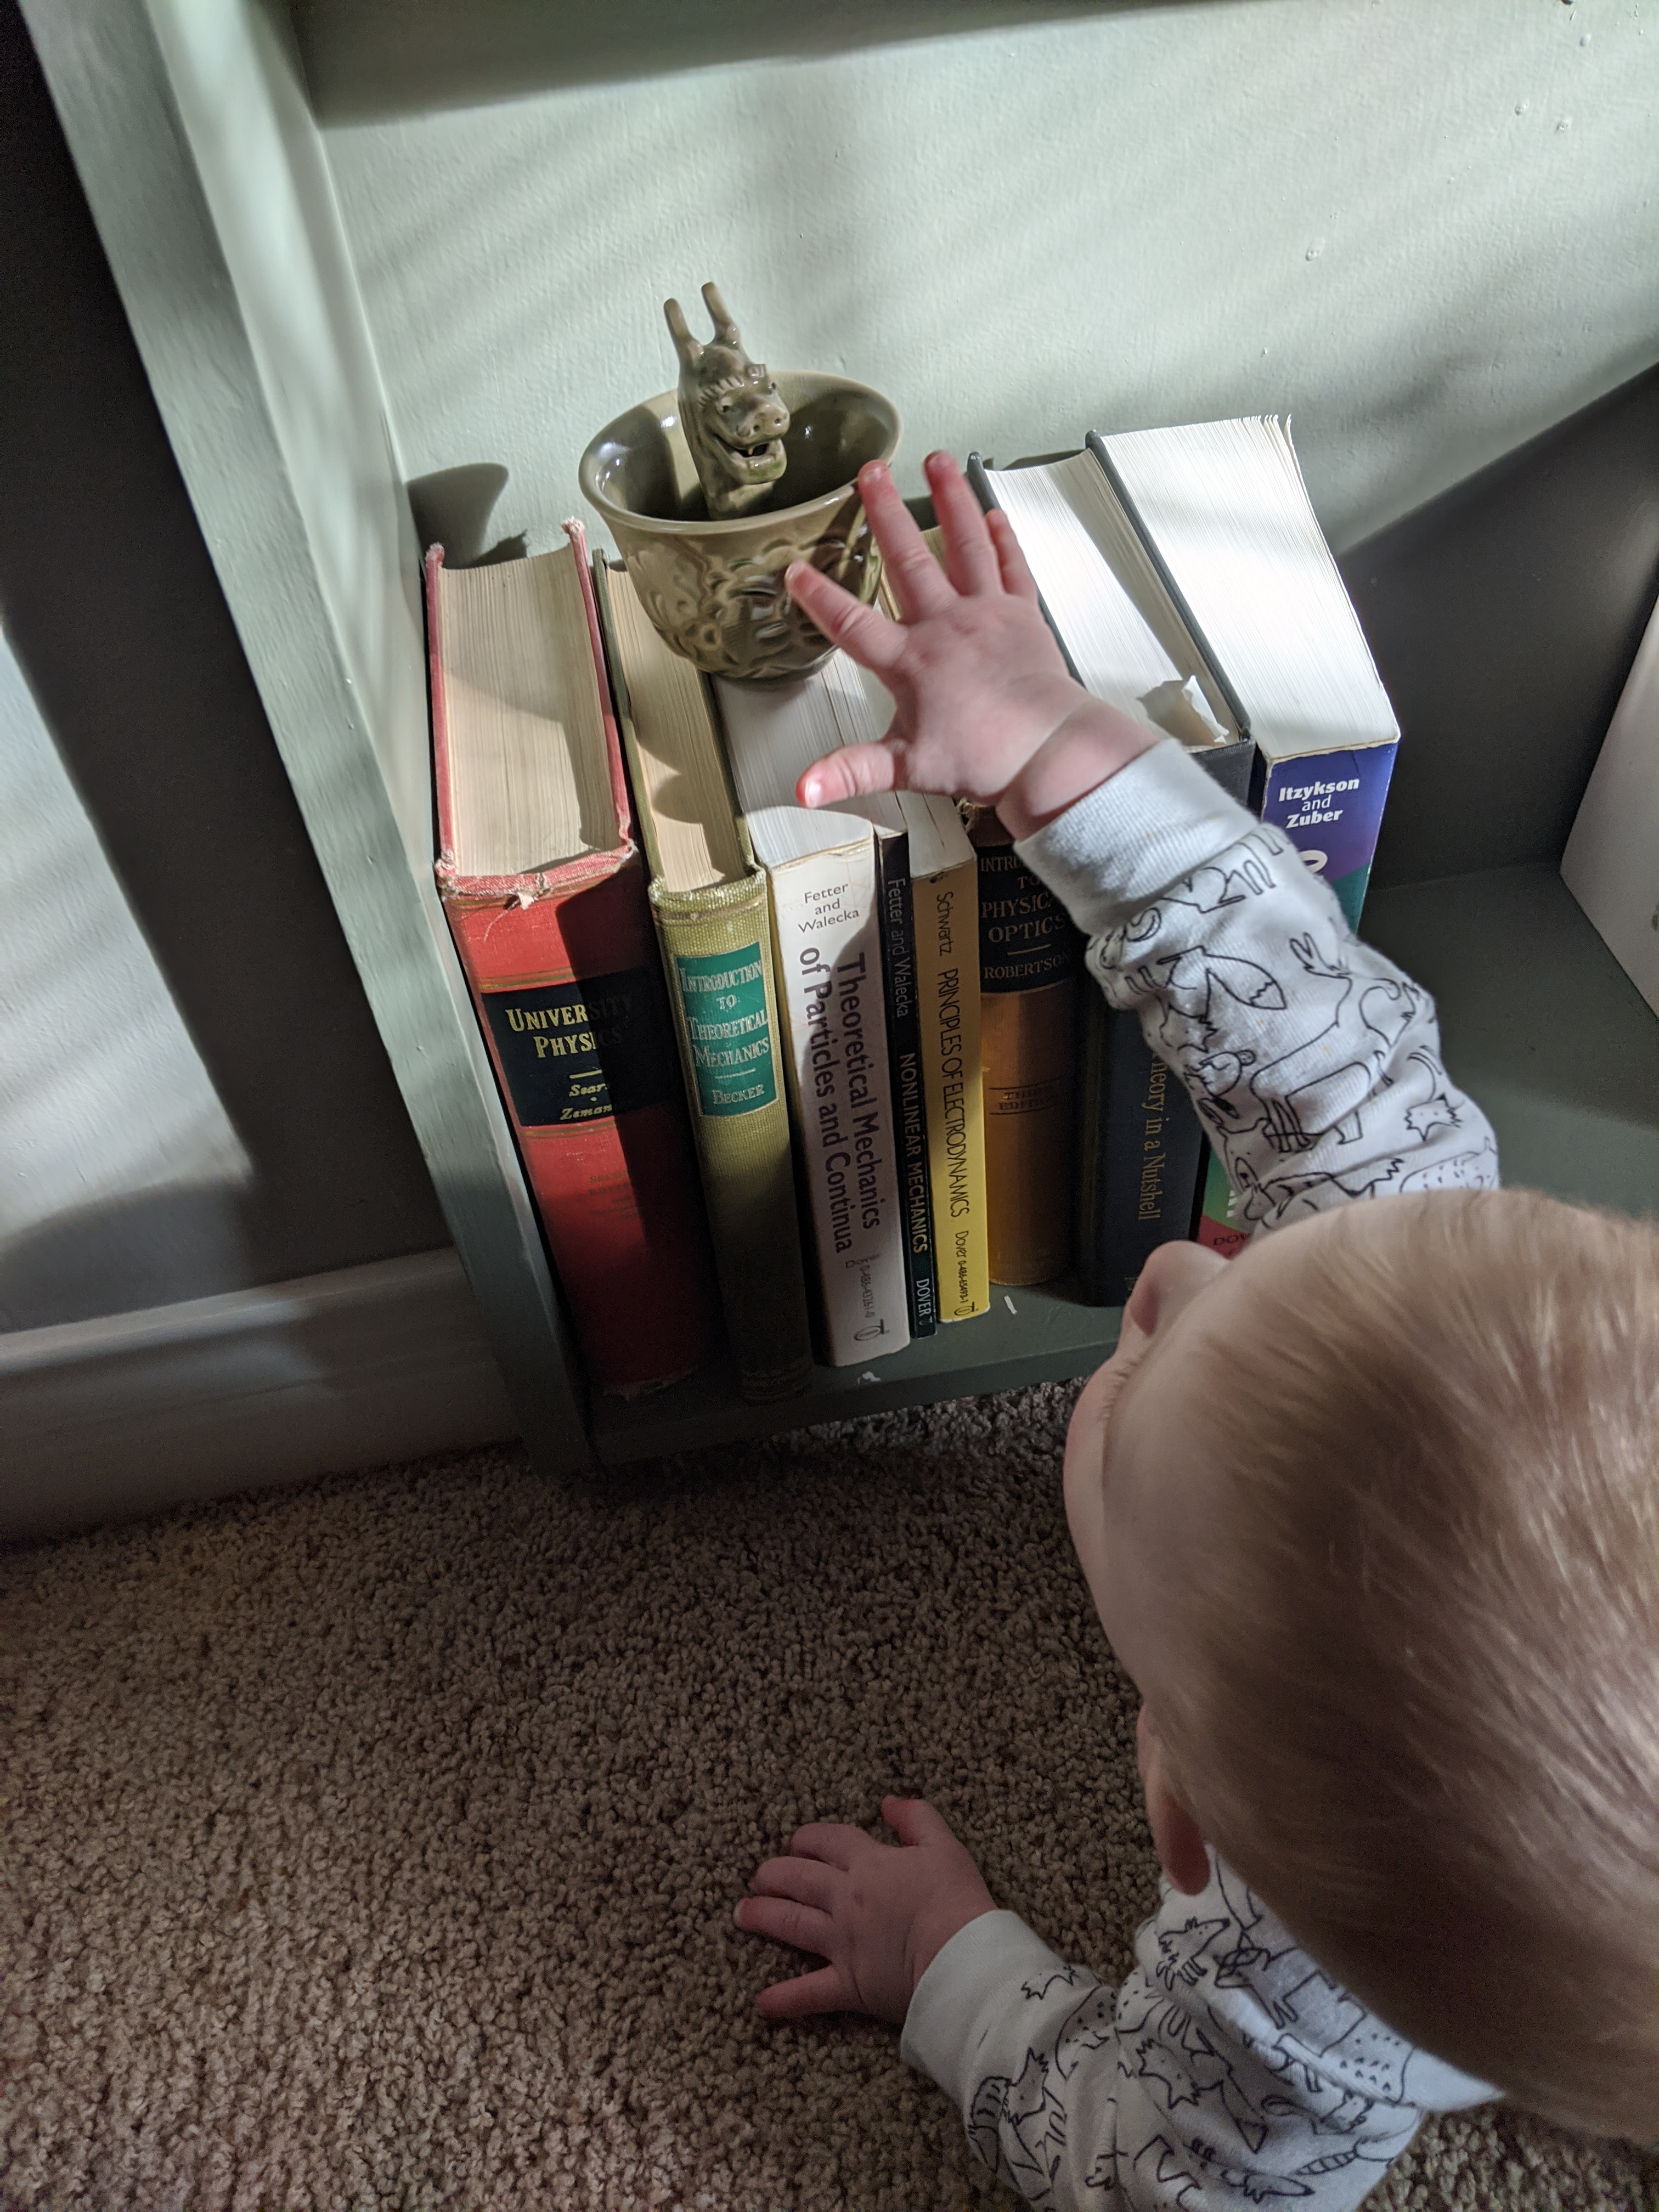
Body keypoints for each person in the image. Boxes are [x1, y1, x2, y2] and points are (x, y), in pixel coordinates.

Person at [731, 452, 1659, 2208]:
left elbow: (1152, 2173)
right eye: (1257, 1280)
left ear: (1183, 1813)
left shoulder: (1289, 2010)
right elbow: (1284, 1002)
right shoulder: (1418, 1242)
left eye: (1137, 1389)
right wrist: (1036, 736)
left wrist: (952, 1968)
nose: (1168, 1281)